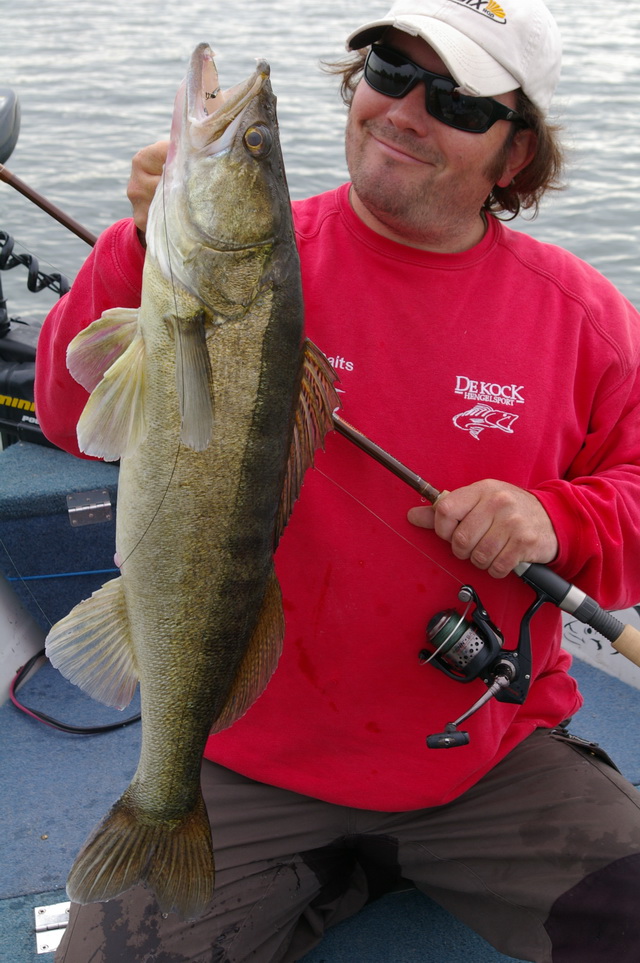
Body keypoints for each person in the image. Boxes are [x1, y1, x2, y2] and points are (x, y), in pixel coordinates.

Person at [35, 1, 640, 961]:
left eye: (454, 100)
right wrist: (142, 244)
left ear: (514, 156)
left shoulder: (586, 319)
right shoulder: (245, 264)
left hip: (487, 765)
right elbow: (73, 419)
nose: (402, 109)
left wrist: (553, 516)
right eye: (387, 73)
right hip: (251, 765)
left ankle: (366, 867)